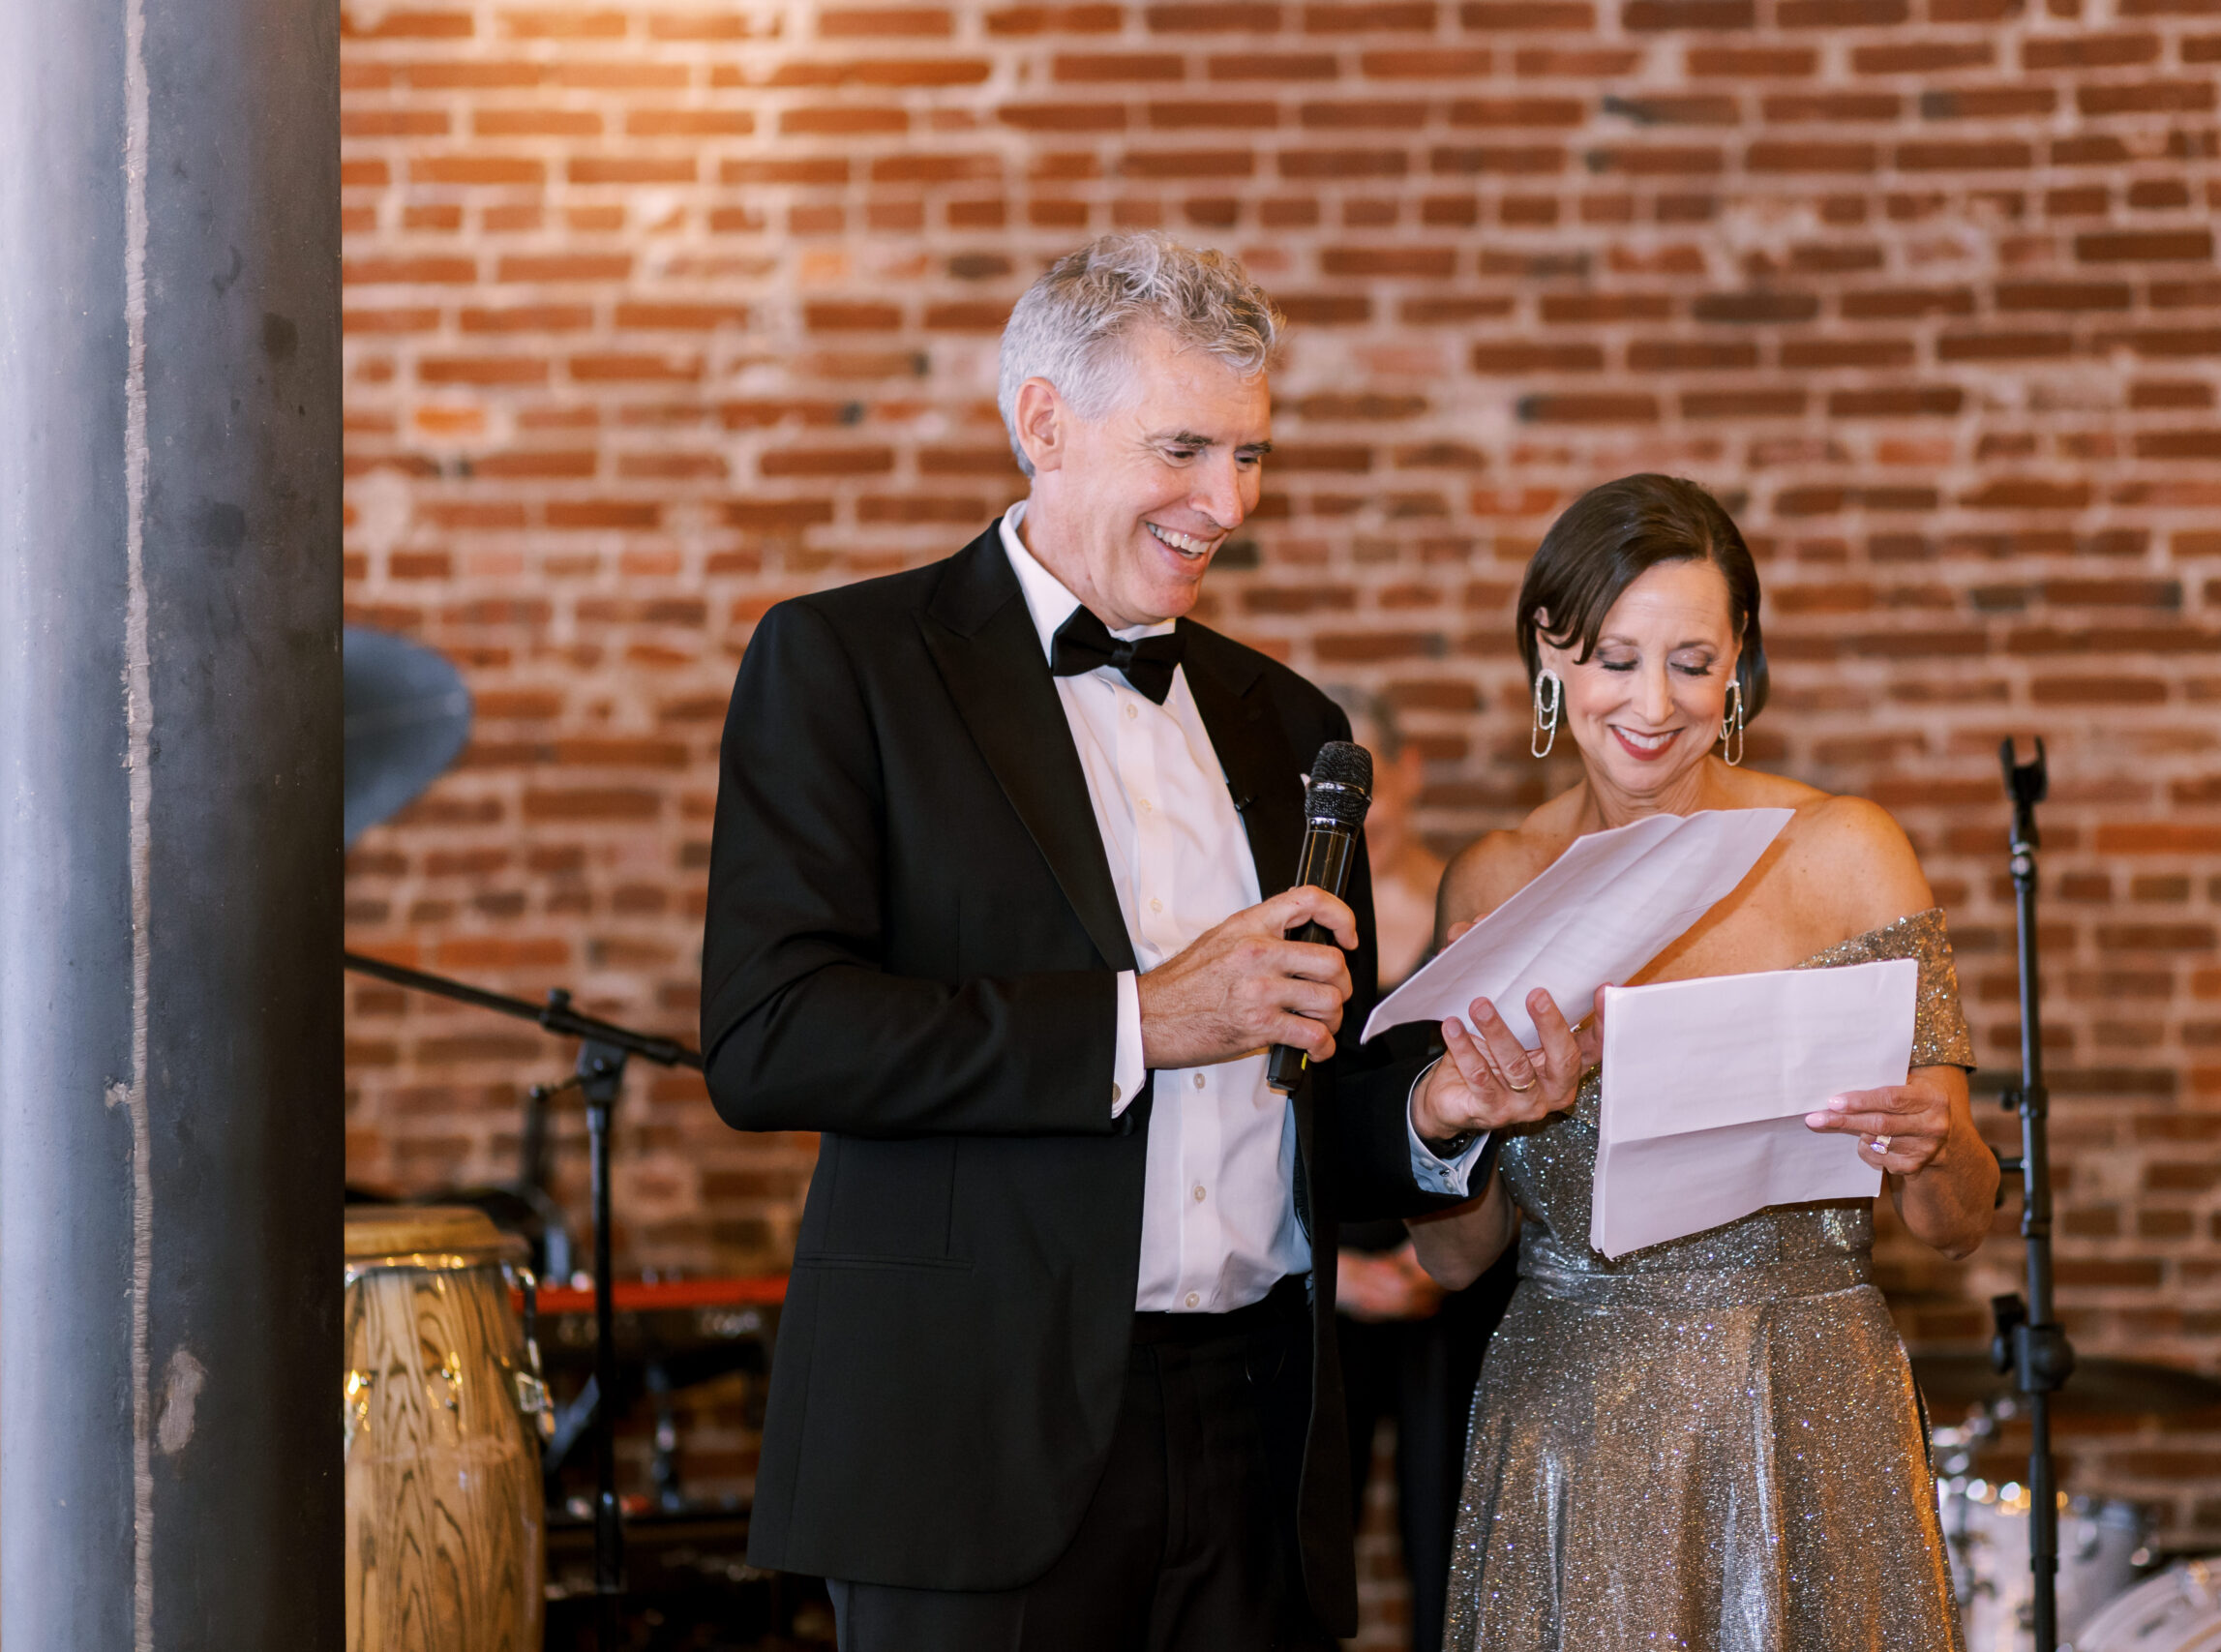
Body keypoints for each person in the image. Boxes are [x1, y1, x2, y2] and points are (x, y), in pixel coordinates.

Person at [698, 233, 1594, 1652]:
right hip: (974, 1440)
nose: (1226, 501)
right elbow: (770, 1034)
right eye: (1186, 447)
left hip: (1260, 1443)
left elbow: (1318, 1101)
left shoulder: (1291, 722)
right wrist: (1143, 1019)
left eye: (1250, 454)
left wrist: (1437, 1108)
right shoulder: (846, 666)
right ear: (1043, 420)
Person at [1406, 473, 2000, 1652]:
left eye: (1691, 660)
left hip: (1807, 1398)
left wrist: (1932, 1145)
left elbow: (1957, 1222)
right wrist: (1454, 1123)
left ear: (1738, 665)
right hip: (1567, 1416)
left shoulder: (1843, 852)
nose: (1652, 702)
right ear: (1550, 653)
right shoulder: (1492, 881)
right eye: (1615, 659)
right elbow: (1451, 1255)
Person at [1321, 686, 1516, 1652]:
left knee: (1454, 1545)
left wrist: (1436, 1260)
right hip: (1326, 1284)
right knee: (1307, 1551)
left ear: (1407, 774)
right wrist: (1344, 1276)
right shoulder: (1297, 929)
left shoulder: (1469, 918)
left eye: (1373, 782)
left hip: (1454, 1276)